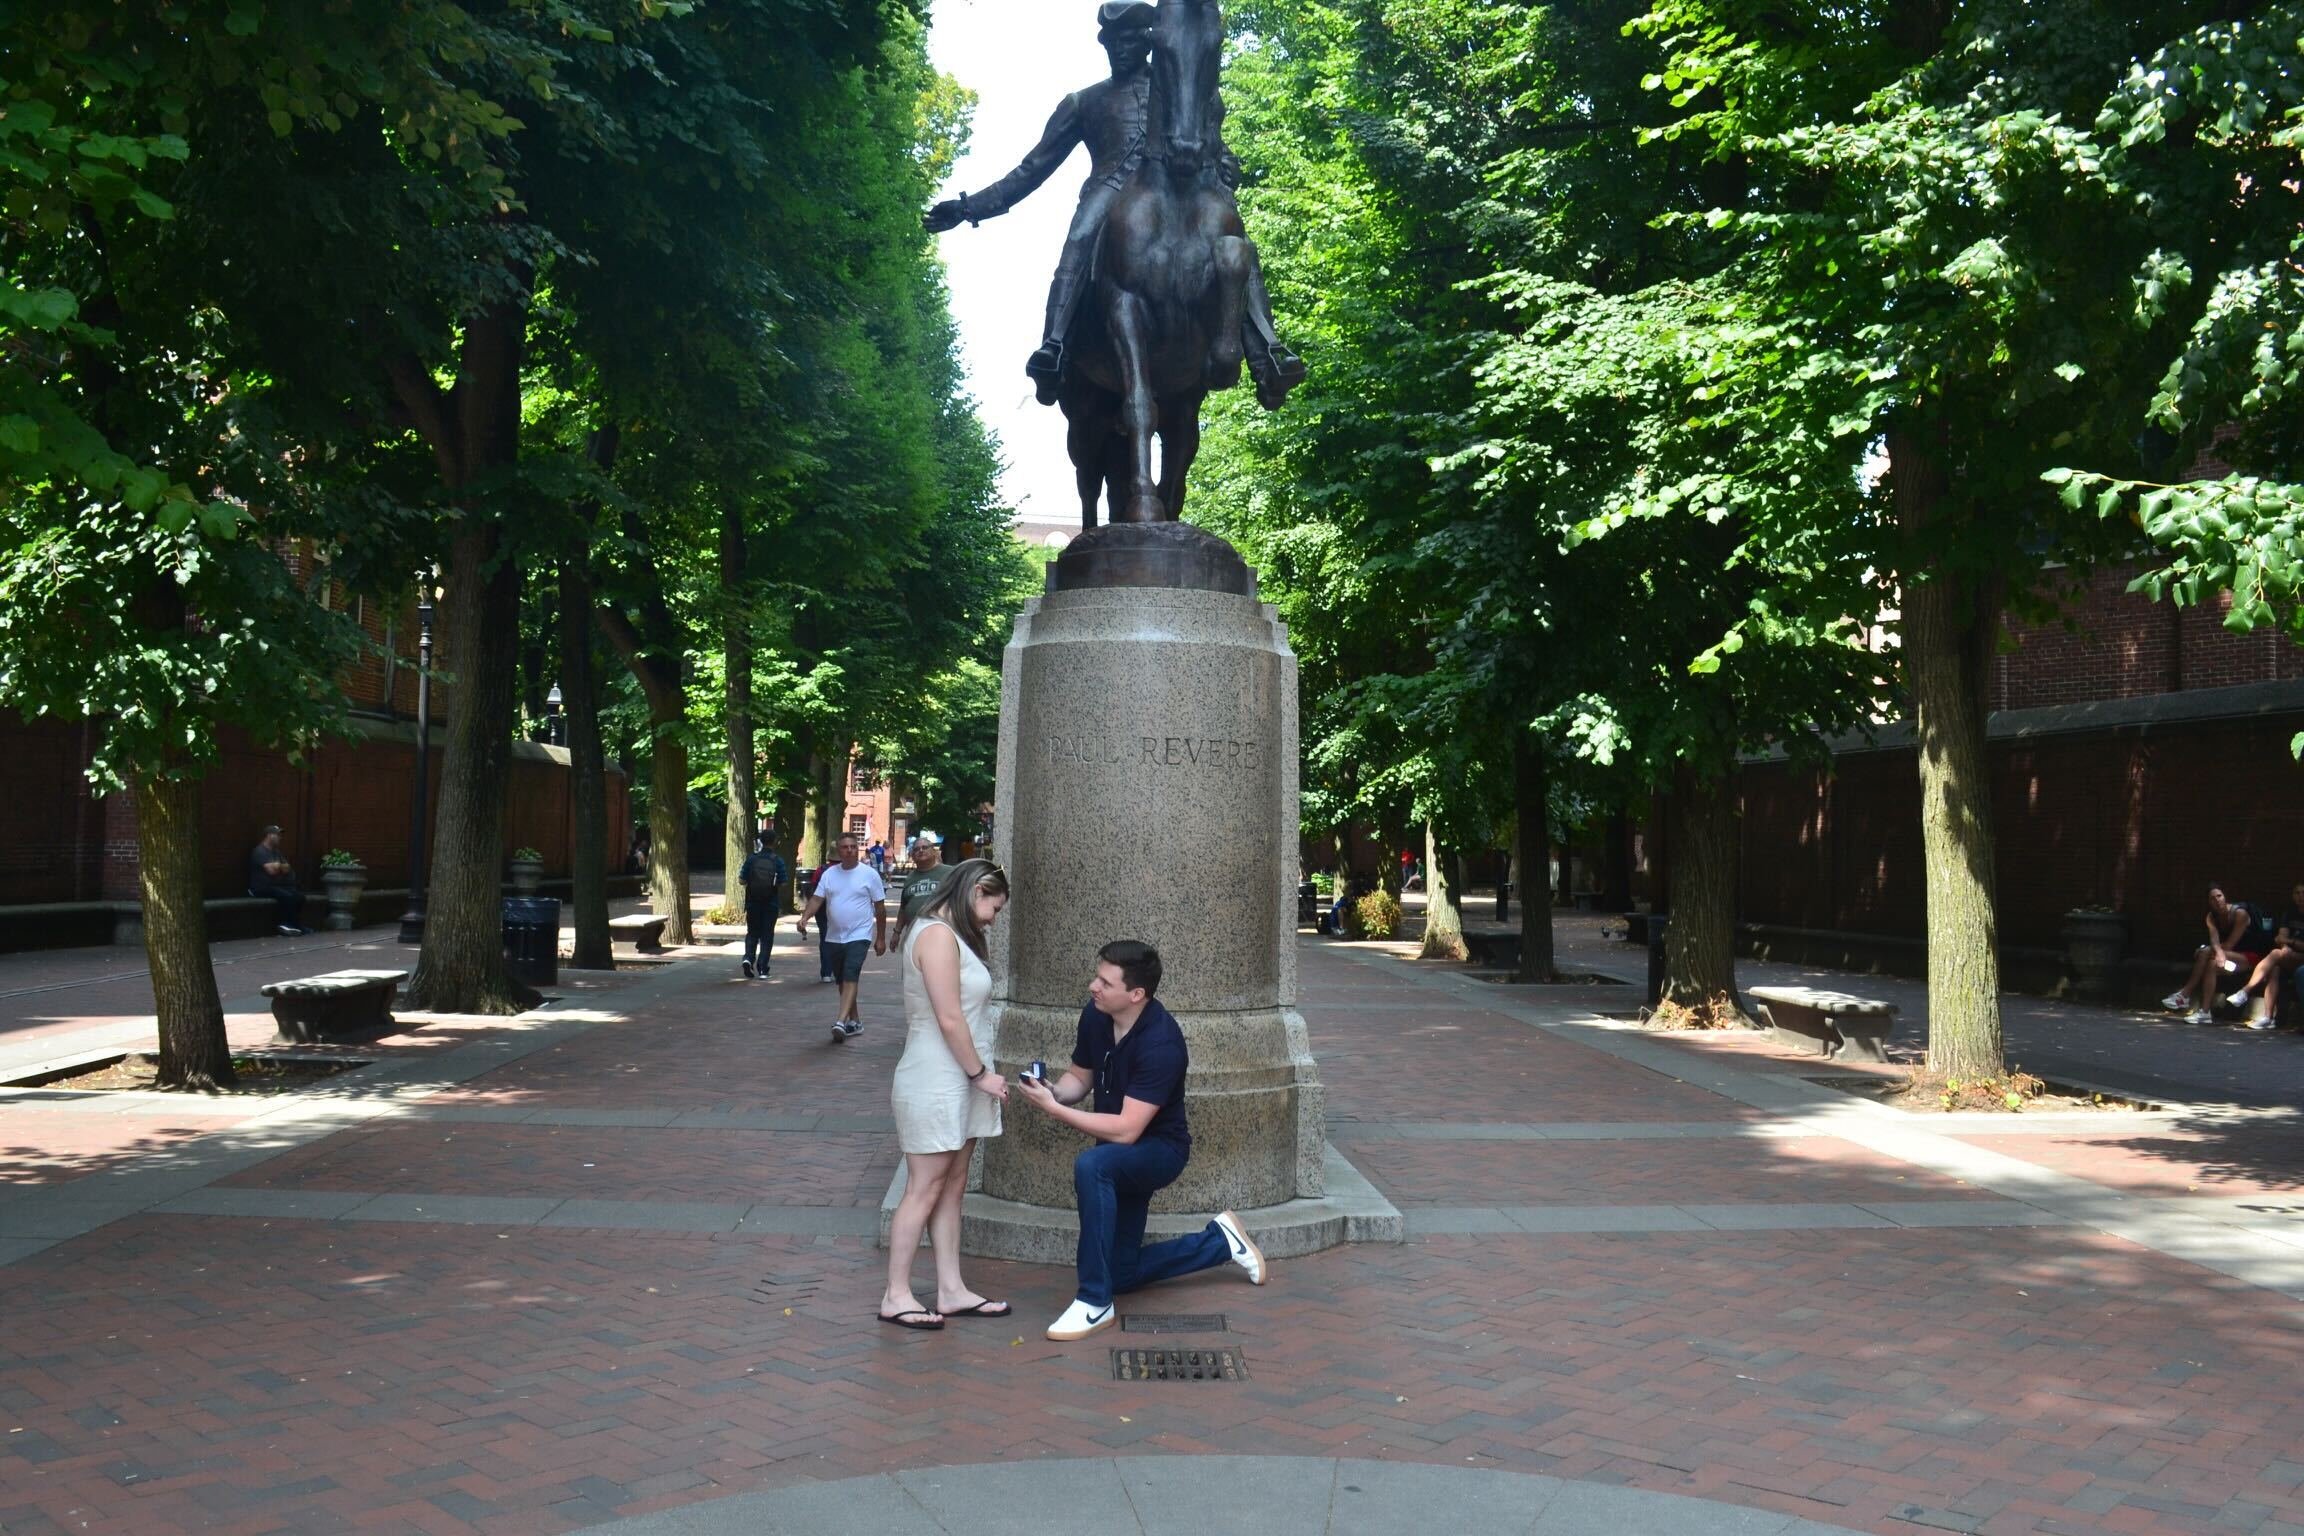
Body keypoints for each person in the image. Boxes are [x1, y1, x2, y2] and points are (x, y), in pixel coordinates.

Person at [922, 1, 1304, 410]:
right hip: (1110, 190)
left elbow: (1204, 129)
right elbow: (1031, 169)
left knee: (1233, 234)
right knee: (1082, 234)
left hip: (1176, 191)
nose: (1120, 49)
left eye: (1130, 40)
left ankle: (1265, 352)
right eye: (1112, 41)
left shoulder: (1176, 85)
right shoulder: (1083, 102)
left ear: (1148, 43)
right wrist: (968, 208)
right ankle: (1055, 347)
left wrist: (1224, 158)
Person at [1016, 940, 1267, 1341]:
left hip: (1158, 1151)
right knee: (1123, 1272)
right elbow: (1080, 1077)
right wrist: (1052, 1090)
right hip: (1118, 1152)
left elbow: (1129, 1129)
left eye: (1104, 981)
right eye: (1097, 976)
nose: (1092, 986)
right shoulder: (1097, 1016)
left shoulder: (1162, 1043)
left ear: (1136, 994)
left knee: (1091, 1167)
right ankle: (1220, 1242)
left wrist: (1053, 1110)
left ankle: (1094, 1302)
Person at [880, 859, 1015, 1330]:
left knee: (951, 1186)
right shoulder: (935, 935)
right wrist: (981, 1075)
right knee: (925, 1187)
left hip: (961, 1077)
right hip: (938, 1078)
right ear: (976, 890)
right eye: (993, 908)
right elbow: (949, 1017)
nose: (992, 919)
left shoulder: (949, 934)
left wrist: (977, 1077)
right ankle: (896, 1295)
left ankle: (951, 1289)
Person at [794, 833, 887, 1039]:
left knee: (851, 973)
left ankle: (840, 1022)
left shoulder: (869, 874)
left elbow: (880, 908)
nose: (850, 850)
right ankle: (855, 1021)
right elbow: (817, 899)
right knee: (842, 980)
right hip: (834, 936)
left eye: (853, 847)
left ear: (858, 849)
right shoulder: (829, 874)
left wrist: (880, 938)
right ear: (838, 851)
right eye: (845, 847)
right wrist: (805, 918)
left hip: (860, 934)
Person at [2163, 884, 2273, 1024]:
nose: (2217, 900)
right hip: (2228, 958)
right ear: (2209, 902)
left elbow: (2230, 944)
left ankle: (2185, 994)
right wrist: (2217, 952)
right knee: (2211, 964)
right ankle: (2204, 1012)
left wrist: (2210, 950)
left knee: (2204, 953)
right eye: (2213, 898)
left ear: (2225, 896)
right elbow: (2214, 940)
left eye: (2219, 896)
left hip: (2250, 957)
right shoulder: (2211, 917)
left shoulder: (2240, 914)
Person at [2226, 881, 2304, 1030]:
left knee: (2275, 954)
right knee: (2274, 967)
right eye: (2297, 893)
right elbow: (2280, 938)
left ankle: (2245, 991)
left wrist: (2290, 942)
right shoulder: (2290, 913)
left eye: (2303, 893)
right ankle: (2268, 1017)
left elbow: (2287, 940)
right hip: (2290, 957)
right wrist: (2286, 945)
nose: (2300, 896)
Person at [735, 837, 788, 980]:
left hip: (753, 902)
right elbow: (783, 883)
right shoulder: (778, 861)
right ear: (774, 842)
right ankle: (763, 968)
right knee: (767, 936)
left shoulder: (752, 859)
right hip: (771, 904)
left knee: (752, 933)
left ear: (761, 841)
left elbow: (741, 880)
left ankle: (748, 959)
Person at [246, 825, 308, 936]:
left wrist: (277, 865)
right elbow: (271, 871)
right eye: (277, 835)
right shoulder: (259, 851)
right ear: (269, 836)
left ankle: (295, 924)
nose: (280, 837)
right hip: (260, 887)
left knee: (299, 896)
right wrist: (279, 867)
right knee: (287, 896)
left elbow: (287, 868)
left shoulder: (276, 852)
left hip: (275, 885)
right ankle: (285, 924)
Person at [898, 834, 954, 927]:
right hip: (913, 931)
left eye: (924, 847)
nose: (921, 850)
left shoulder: (950, 872)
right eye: (916, 849)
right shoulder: (910, 877)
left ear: (933, 850)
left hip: (944, 931)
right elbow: (903, 907)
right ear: (912, 855)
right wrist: (897, 932)